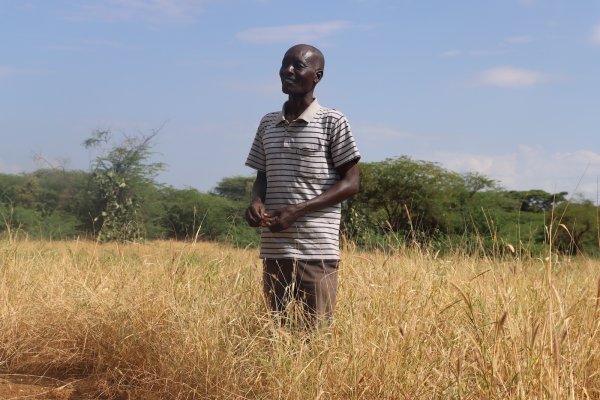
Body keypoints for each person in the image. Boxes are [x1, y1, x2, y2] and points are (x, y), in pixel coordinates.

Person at [244, 44, 361, 327]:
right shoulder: (267, 123)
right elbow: (263, 176)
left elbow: (352, 182)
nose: (288, 71)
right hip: (274, 250)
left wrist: (298, 210)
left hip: (316, 252)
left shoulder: (332, 121)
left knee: (314, 340)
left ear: (316, 76)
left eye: (298, 66)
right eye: (285, 64)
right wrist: (256, 202)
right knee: (276, 335)